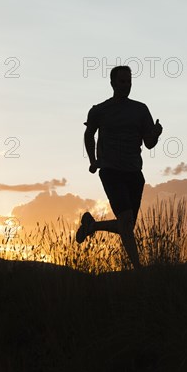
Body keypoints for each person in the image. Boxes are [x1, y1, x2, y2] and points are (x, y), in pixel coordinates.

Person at [76, 65, 163, 270]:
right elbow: (89, 134)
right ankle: (139, 269)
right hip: (111, 170)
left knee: (127, 227)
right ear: (112, 83)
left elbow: (149, 143)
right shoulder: (100, 110)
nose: (126, 85)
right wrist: (93, 161)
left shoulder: (140, 110)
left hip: (134, 172)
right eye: (122, 81)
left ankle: (92, 226)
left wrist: (156, 134)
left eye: (129, 81)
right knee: (125, 221)